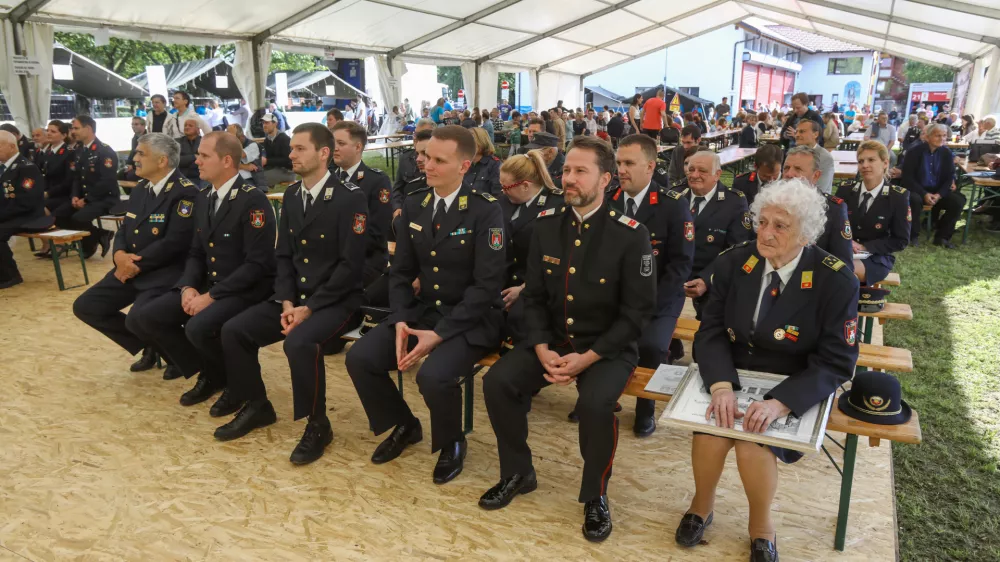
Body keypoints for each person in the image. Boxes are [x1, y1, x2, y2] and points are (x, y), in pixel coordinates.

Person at [478, 136, 654, 542]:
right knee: (498, 382)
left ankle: (596, 494)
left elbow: (636, 314)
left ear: (606, 179)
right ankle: (518, 472)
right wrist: (541, 346)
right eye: (566, 171)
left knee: (595, 405)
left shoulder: (630, 235)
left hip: (606, 347)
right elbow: (535, 296)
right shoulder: (547, 225)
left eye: (580, 171)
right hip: (553, 340)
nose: (568, 179)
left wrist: (587, 358)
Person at [675, 178, 859, 562]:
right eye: (762, 222)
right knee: (711, 432)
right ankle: (701, 506)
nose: (766, 233)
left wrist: (780, 404)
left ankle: (761, 526)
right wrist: (722, 386)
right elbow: (710, 330)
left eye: (780, 226)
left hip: (793, 378)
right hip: (735, 369)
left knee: (752, 442)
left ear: (806, 235)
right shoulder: (735, 261)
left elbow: (837, 360)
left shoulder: (834, 279)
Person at [344, 125, 505, 485]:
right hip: (423, 311)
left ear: (464, 166)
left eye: (437, 160)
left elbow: (486, 286)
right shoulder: (416, 203)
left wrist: (439, 334)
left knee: (434, 377)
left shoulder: (485, 210)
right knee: (361, 358)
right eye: (425, 157)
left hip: (472, 318)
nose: (425, 165)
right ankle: (404, 424)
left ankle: (451, 442)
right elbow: (400, 273)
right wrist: (400, 319)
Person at [213, 123, 368, 463]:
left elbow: (349, 267)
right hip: (293, 299)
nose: (291, 154)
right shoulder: (293, 196)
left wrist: (308, 308)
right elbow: (283, 255)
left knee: (298, 343)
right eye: (292, 148)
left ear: (323, 153)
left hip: (335, 301)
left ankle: (318, 425)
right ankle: (257, 405)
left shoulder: (350, 199)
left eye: (300, 148)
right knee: (235, 330)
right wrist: (286, 301)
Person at [136, 132, 276, 405]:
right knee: (149, 316)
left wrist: (210, 297)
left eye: (203, 156)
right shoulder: (204, 196)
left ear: (226, 161)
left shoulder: (253, 200)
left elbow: (257, 265)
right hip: (211, 284)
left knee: (198, 327)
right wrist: (187, 286)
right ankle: (212, 372)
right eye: (198, 154)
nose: (196, 161)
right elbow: (197, 252)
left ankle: (232, 384)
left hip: (245, 288)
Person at [72, 134, 198, 372]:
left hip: (164, 273)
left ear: (162, 161)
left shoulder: (185, 193)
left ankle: (175, 354)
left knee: (139, 317)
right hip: (129, 267)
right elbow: (125, 227)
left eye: (141, 153)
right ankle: (151, 344)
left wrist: (135, 264)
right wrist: (119, 255)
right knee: (86, 306)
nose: (134, 158)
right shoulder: (142, 189)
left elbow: (175, 242)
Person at [607, 134, 694, 437]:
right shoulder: (609, 201)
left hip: (660, 297)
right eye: (619, 163)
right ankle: (603, 397)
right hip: (616, 296)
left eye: (629, 163)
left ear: (650, 166)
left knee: (650, 345)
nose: (621, 170)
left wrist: (648, 303)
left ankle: (646, 408)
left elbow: (680, 264)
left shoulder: (672, 206)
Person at [496, 149, 565, 346]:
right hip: (504, 281)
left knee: (520, 321)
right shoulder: (504, 202)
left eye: (506, 187)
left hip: (538, 286)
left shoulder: (556, 205)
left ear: (525, 186)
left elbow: (557, 259)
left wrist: (523, 289)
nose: (503, 191)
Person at [680, 150, 751, 318]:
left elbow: (736, 250)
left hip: (713, 282)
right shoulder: (676, 196)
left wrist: (707, 279)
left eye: (702, 171)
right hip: (674, 280)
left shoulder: (734, 202)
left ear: (717, 174)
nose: (695, 175)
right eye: (691, 170)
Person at [330, 121, 393, 296]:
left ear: (358, 147)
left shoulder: (376, 181)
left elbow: (376, 233)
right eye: (333, 142)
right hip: (332, 259)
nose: (334, 148)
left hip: (365, 260)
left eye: (341, 144)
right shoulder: (329, 181)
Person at [834, 140, 909, 284]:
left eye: (871, 160)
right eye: (861, 161)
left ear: (885, 163)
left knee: (844, 270)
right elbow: (834, 224)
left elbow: (901, 240)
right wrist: (845, 242)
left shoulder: (898, 197)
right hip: (843, 251)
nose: (865, 165)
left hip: (877, 256)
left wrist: (864, 247)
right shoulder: (846, 189)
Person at [53, 115, 119, 259]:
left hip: (105, 198)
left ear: (88, 129)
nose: (73, 131)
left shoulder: (104, 151)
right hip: (85, 197)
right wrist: (75, 196)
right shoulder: (80, 150)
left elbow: (107, 181)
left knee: (79, 218)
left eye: (76, 128)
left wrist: (87, 199)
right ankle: (100, 234)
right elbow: (76, 177)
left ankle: (88, 245)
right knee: (59, 214)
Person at [781, 145, 854, 266]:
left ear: (815, 176)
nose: (789, 174)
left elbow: (843, 264)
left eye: (798, 169)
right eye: (786, 168)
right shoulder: (771, 203)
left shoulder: (833, 209)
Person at [0, 130, 49, 288]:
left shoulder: (27, 168)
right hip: (11, 213)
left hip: (28, 215)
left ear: (11, 146)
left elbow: (26, 202)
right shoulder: (4, 168)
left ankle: (11, 275)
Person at [901, 124, 962, 248]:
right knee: (914, 199)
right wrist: (924, 194)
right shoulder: (914, 152)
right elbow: (907, 178)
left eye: (944, 135)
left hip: (937, 191)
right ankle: (913, 236)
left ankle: (942, 237)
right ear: (928, 137)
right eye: (938, 135)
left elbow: (949, 178)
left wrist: (939, 195)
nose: (942, 138)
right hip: (917, 189)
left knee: (958, 201)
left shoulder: (946, 153)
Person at [38, 120, 74, 256]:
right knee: (34, 206)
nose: (48, 133)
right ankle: (47, 242)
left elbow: (68, 181)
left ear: (64, 135)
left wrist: (48, 193)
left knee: (42, 208)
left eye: (53, 131)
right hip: (50, 194)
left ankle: (58, 243)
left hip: (64, 195)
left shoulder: (68, 153)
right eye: (48, 130)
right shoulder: (48, 153)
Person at [392, 128, 434, 212]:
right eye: (417, 153)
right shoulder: (412, 187)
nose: (418, 159)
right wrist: (397, 207)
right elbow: (398, 189)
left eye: (424, 153)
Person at [794, 120, 834, 194]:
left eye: (802, 131)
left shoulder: (824, 157)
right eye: (796, 132)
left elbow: (820, 189)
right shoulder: (794, 153)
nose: (797, 135)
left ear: (815, 134)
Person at [462, 127, 502, 196]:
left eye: (471, 141)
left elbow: (497, 194)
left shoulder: (495, 165)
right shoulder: (463, 164)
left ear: (481, 142)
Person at [227, 123, 266, 189]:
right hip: (233, 179)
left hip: (251, 180)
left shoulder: (253, 145)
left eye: (231, 138)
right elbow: (223, 163)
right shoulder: (228, 146)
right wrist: (244, 166)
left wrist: (232, 136)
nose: (229, 141)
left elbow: (238, 154)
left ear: (241, 136)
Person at [261, 114, 294, 190]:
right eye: (263, 123)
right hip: (275, 169)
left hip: (287, 171)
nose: (264, 125)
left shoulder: (284, 139)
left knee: (260, 179)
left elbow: (287, 160)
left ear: (275, 123)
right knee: (255, 175)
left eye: (267, 123)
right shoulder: (267, 140)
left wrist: (267, 161)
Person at [177, 118, 202, 184]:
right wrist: (194, 156)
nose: (187, 127)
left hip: (201, 177)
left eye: (190, 126)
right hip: (182, 177)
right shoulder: (177, 142)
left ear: (198, 130)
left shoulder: (205, 142)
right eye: (185, 125)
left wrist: (185, 161)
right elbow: (175, 160)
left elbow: (205, 161)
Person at [121, 116, 147, 181]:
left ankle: (136, 190)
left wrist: (134, 166)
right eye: (132, 124)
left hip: (144, 166)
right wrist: (128, 164)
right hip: (135, 165)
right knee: (120, 175)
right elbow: (132, 152)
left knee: (130, 176)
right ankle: (131, 191)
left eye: (136, 124)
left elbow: (146, 156)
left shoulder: (148, 138)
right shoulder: (134, 138)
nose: (133, 126)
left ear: (143, 126)